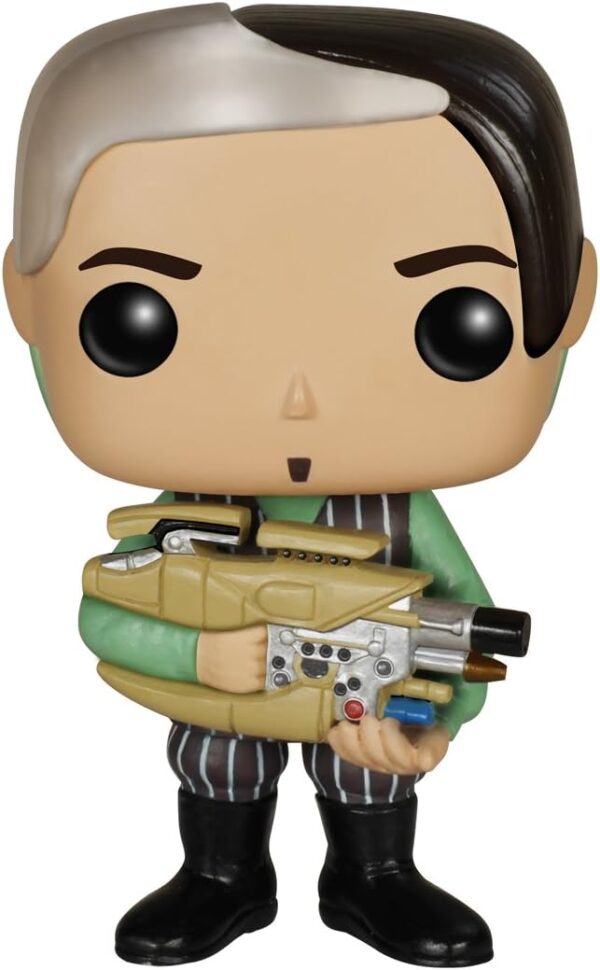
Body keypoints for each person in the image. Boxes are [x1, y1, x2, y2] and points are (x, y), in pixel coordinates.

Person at [4, 4, 596, 967]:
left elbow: (463, 624)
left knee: (369, 774)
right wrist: (200, 660)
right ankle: (221, 873)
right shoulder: (180, 522)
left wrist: (435, 724)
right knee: (218, 759)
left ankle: (373, 874)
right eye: (138, 319)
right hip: (224, 703)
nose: (297, 400)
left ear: (569, 303)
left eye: (455, 323)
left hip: (360, 703)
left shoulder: (394, 515)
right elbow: (106, 616)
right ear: (28, 302)